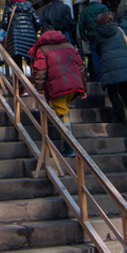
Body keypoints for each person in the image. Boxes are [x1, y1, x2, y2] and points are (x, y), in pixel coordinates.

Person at [29, 28, 86, 157]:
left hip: (57, 86)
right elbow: (80, 67)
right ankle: (69, 145)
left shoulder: (42, 50)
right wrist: (84, 89)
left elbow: (41, 71)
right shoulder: (69, 46)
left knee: (62, 114)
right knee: (64, 110)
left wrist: (39, 90)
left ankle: (70, 146)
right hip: (73, 84)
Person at [93, 12, 127, 123]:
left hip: (109, 64)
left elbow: (97, 50)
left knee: (112, 92)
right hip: (123, 61)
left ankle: (121, 116)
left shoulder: (99, 34)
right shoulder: (119, 30)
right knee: (123, 89)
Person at [1, 0, 39, 69]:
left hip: (15, 37)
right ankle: (34, 76)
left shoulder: (9, 8)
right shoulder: (30, 7)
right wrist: (33, 31)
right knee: (31, 56)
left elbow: (4, 24)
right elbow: (37, 22)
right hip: (30, 35)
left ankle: (19, 79)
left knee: (17, 60)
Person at [77, 0, 109, 77]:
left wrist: (83, 36)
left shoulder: (85, 11)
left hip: (92, 36)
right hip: (104, 34)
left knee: (95, 55)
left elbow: (81, 25)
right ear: (98, 0)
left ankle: (99, 76)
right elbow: (108, 20)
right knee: (105, 53)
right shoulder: (103, 8)